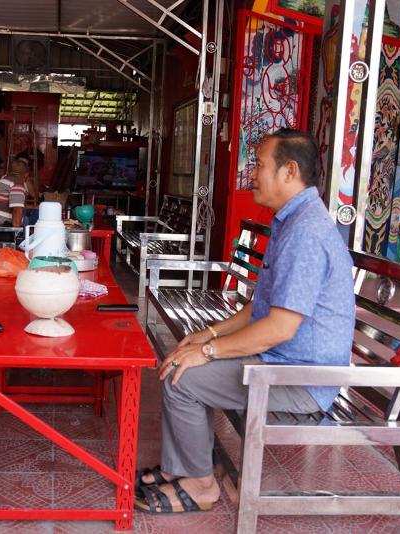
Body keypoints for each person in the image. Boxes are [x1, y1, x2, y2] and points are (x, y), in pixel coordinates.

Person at [134, 129, 355, 514]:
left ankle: (201, 485)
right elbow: (259, 308)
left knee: (181, 377)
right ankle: (190, 467)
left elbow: (279, 328)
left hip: (299, 379)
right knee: (184, 359)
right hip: (282, 363)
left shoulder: (306, 233)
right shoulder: (295, 221)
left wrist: (208, 351)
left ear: (289, 172)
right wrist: (207, 335)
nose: (252, 174)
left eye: (259, 165)